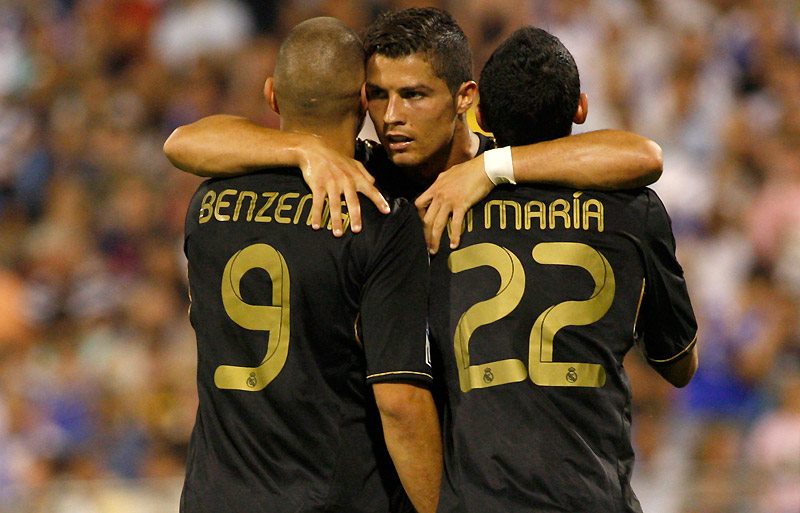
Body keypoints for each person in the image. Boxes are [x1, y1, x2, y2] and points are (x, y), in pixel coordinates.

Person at [427, 26, 698, 513]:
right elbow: (679, 364)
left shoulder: (440, 206)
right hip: (592, 496)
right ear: (581, 109)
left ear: (480, 114)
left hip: (479, 500)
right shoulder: (633, 211)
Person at [178, 17, 440, 513]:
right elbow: (399, 404)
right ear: (363, 101)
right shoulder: (378, 216)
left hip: (214, 498)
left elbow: (182, 142)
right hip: (331, 499)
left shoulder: (206, 204)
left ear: (272, 96)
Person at [164, 8, 664, 253]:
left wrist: (488, 169)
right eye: (379, 95)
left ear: (465, 97)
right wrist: (302, 149)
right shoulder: (356, 170)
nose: (392, 116)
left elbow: (641, 157)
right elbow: (184, 143)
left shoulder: (504, 168)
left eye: (415, 95)